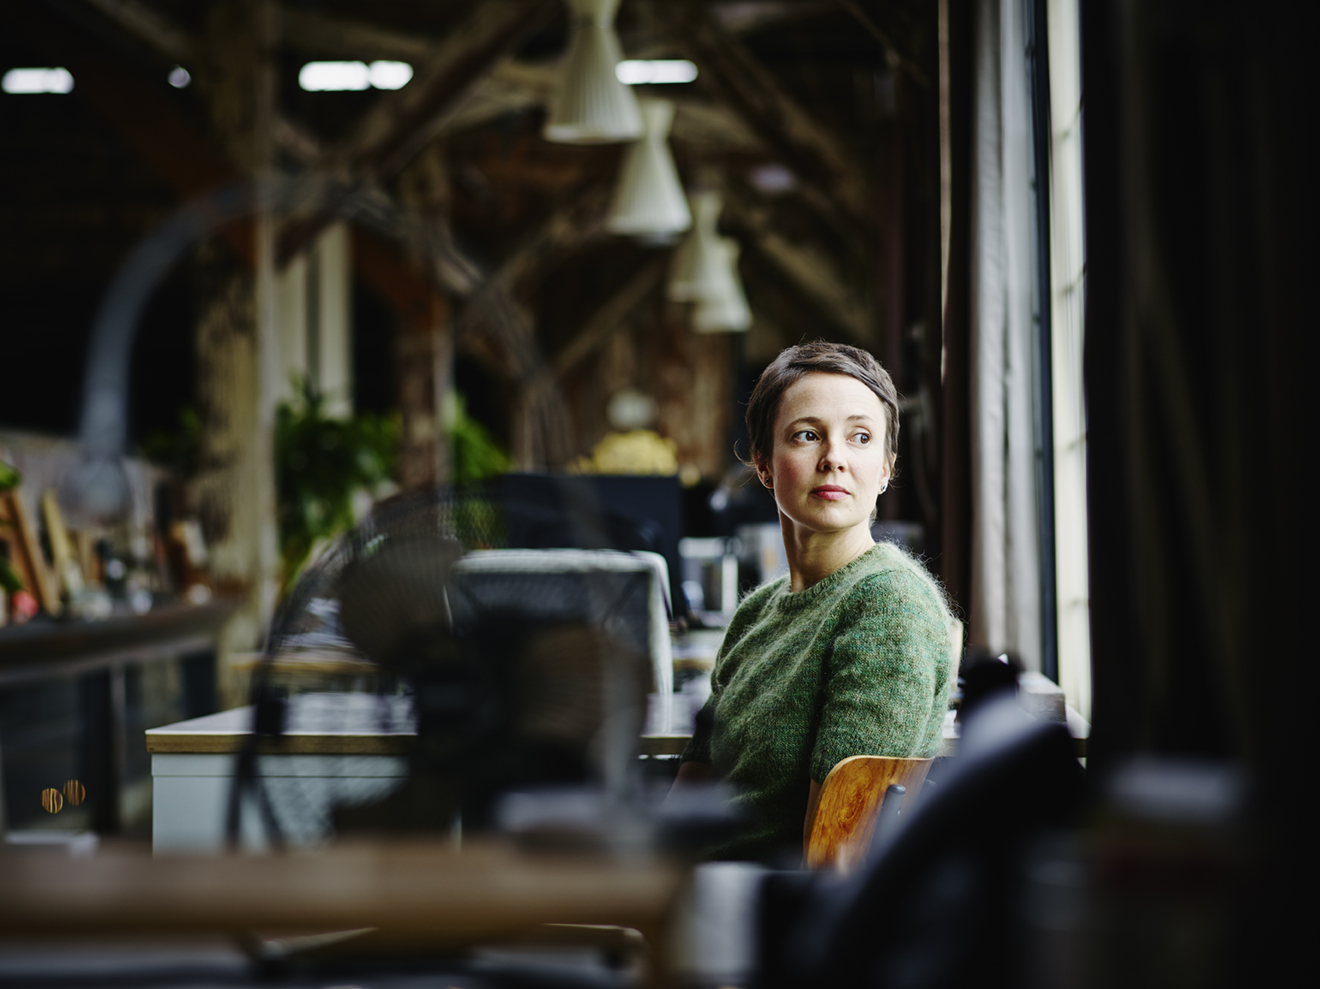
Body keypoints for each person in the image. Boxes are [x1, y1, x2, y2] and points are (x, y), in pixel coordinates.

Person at [675, 341, 955, 863]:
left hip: (766, 912)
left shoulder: (888, 603)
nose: (834, 459)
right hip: (687, 892)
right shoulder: (757, 611)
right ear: (762, 463)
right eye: (807, 435)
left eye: (861, 437)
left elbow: (836, 853)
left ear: (887, 468)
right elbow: (695, 781)